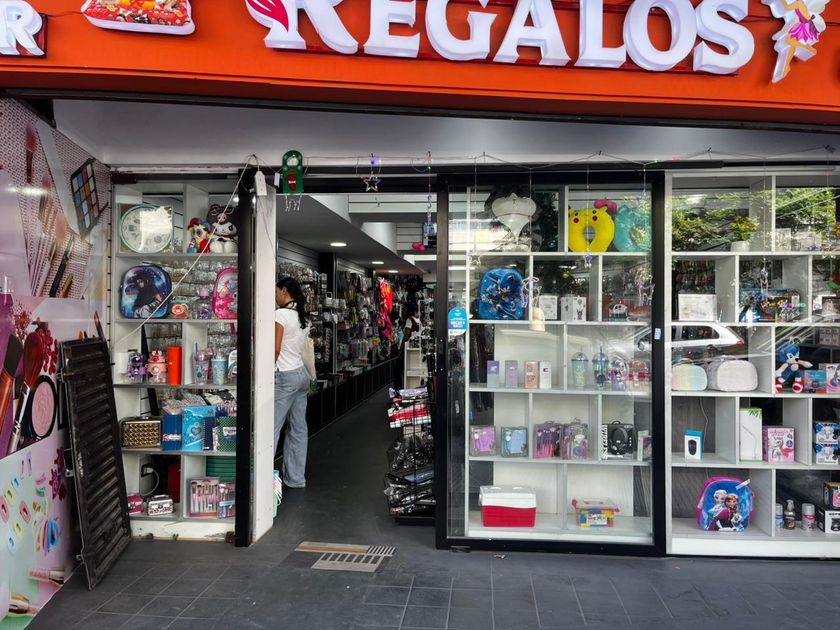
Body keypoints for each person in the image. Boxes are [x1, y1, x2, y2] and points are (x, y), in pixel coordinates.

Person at [274, 277, 310, 488]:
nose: (275, 296)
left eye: (276, 291)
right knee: (298, 429)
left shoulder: (280, 314)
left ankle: (261, 481)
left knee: (272, 427)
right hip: (300, 374)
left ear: (284, 291)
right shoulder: (301, 316)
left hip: (284, 376)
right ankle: (296, 479)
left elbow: (276, 347)